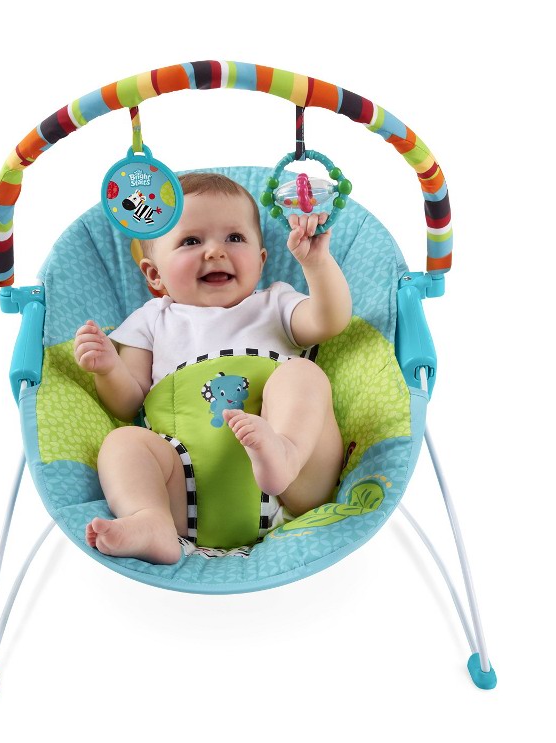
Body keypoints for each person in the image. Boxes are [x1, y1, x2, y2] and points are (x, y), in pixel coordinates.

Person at [73, 173, 352, 564]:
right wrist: (107, 369)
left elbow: (330, 320)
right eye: (191, 241)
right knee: (123, 442)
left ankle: (284, 452)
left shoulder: (275, 303)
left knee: (303, 375)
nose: (216, 252)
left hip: (293, 488)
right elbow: (128, 402)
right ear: (154, 274)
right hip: (185, 492)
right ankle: (150, 519)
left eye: (234, 237)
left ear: (261, 261)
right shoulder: (151, 320)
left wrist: (316, 263)